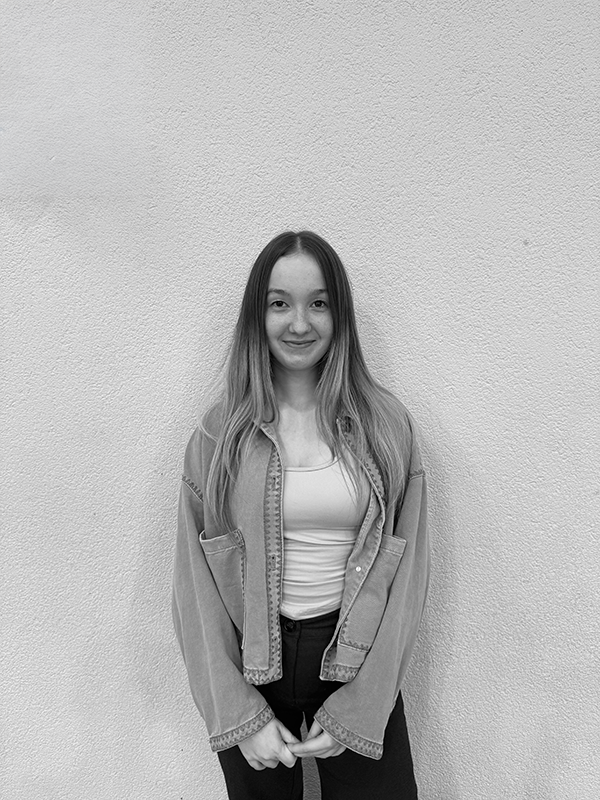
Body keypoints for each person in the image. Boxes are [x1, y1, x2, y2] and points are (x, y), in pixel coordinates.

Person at [172, 231, 429, 800]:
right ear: (256, 315)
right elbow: (195, 589)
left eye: (318, 303)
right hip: (254, 670)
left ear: (340, 315)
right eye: (279, 303)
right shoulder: (219, 436)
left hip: (354, 664)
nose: (299, 323)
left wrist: (360, 711)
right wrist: (240, 715)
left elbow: (408, 581)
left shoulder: (387, 427)